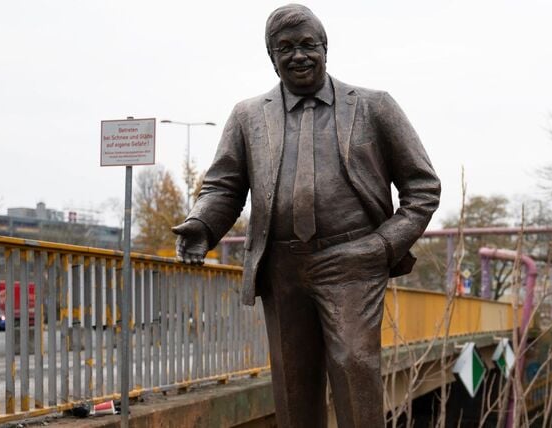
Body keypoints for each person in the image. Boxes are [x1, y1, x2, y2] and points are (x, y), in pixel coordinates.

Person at [170, 4, 440, 426]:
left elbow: (423, 188)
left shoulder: (374, 107)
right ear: (271, 57)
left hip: (353, 262)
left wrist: (380, 247)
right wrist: (202, 225)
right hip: (282, 267)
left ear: (326, 49)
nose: (298, 55)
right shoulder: (248, 116)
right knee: (294, 388)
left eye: (308, 45)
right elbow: (224, 185)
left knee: (354, 368)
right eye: (285, 48)